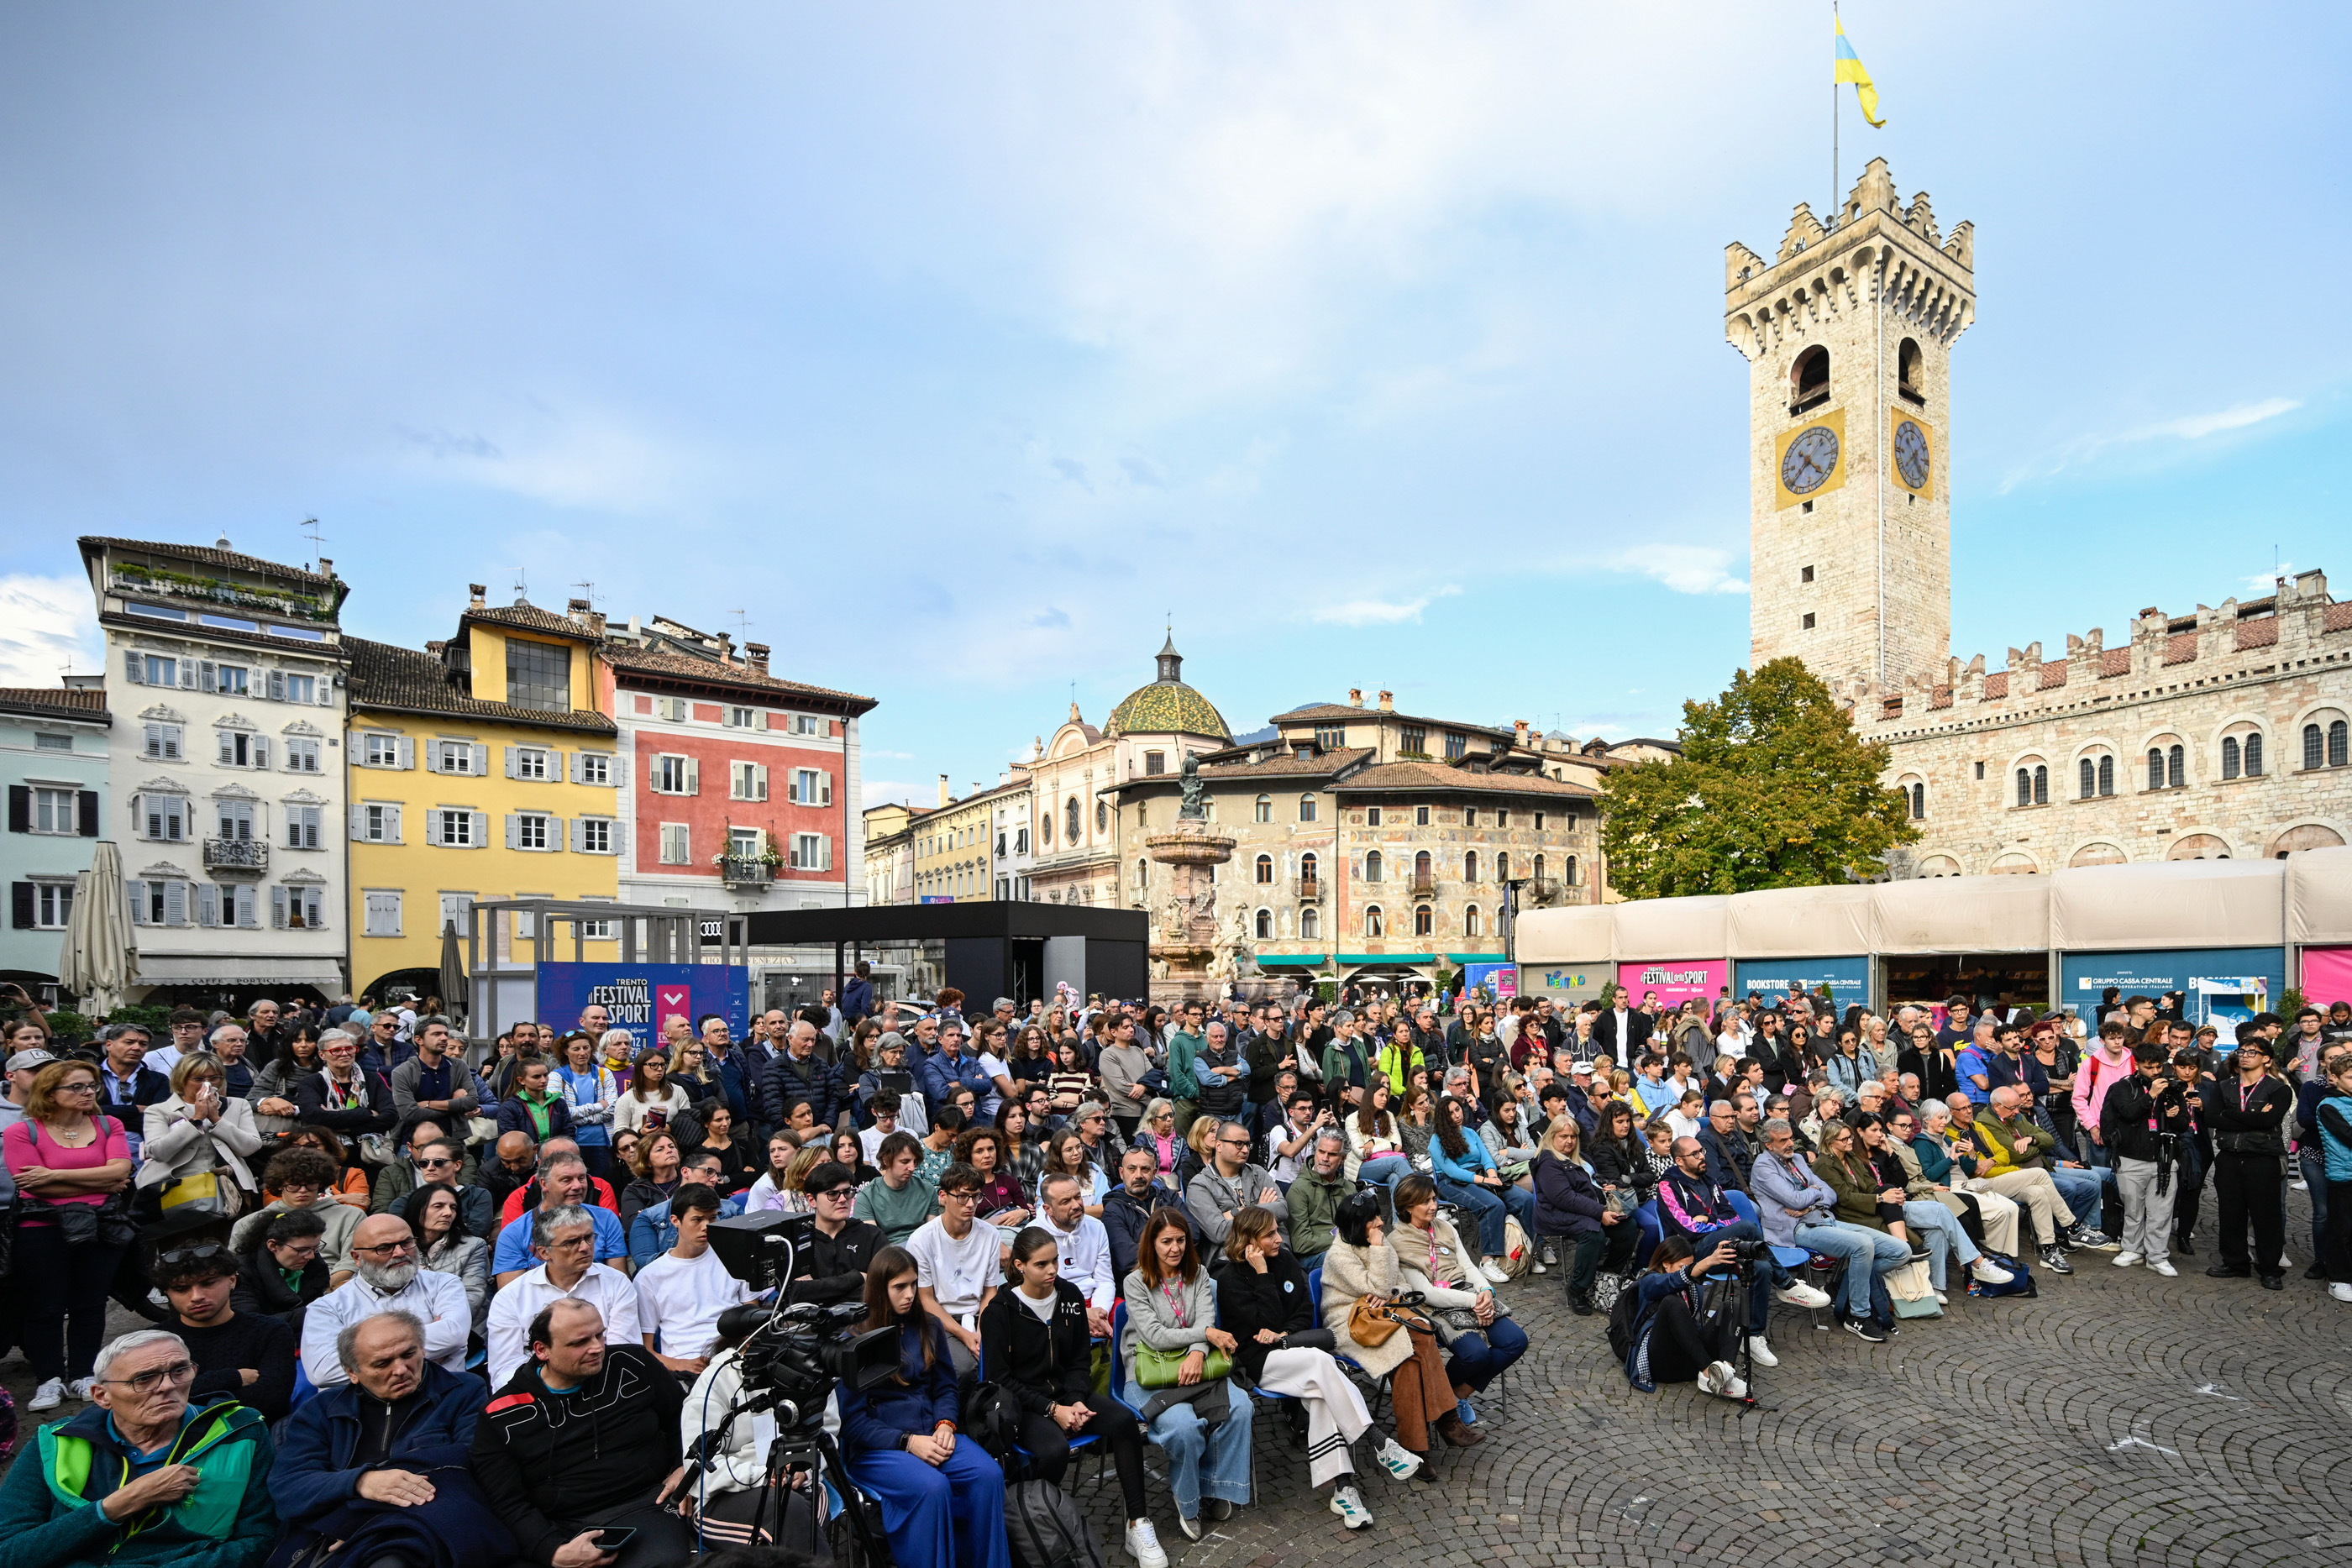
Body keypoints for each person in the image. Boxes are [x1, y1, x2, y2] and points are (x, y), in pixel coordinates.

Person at [0, 1327, 276, 1568]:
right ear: (102, 1396)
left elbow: (257, 1542)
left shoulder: (241, 1431)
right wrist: (119, 1504)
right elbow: (8, 1553)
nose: (167, 1386)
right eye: (144, 1379)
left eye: (179, 1370)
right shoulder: (57, 1439)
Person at [1212, 1204, 1417, 1529]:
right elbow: (1262, 1328)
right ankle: (1378, 1440)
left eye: (1277, 1231)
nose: (1279, 1239)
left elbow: (1304, 1311)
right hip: (1258, 1362)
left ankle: (1344, 1491)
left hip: (1296, 1350)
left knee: (1321, 1393)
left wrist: (1286, 1334)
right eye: (1269, 1235)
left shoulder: (1286, 1261)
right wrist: (1263, 1275)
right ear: (1249, 1241)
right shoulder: (1229, 1279)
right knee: (1323, 1362)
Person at [980, 1228, 1165, 1567]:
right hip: (1026, 1405)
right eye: (1041, 1264)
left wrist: (1077, 1400)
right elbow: (999, 1379)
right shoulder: (999, 1311)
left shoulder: (1070, 1295)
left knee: (1124, 1422)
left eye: (1054, 1261)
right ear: (1020, 1265)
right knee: (1053, 1451)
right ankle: (1033, 1524)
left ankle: (1137, 1523)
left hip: (1069, 1394)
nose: (1052, 1270)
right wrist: (1052, 1410)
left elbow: (1080, 1359)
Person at [270, 1310, 514, 1568]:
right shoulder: (320, 1410)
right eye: (382, 1364)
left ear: (423, 1349)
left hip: (426, 1526)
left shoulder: (463, 1390)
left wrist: (367, 1520)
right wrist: (362, 1481)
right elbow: (288, 1487)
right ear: (352, 1372)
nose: (400, 1370)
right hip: (328, 1536)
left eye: (408, 1354)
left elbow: (468, 1465)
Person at [472, 1297, 693, 1568]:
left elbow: (685, 1417)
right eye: (580, 1342)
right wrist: (552, 1551)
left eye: (599, 1335)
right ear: (542, 1350)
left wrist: (685, 1466)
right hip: (557, 1524)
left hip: (645, 1502)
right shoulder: (501, 1412)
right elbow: (505, 1500)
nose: (597, 1348)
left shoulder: (633, 1362)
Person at [6, 1057, 137, 1411]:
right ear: (50, 1092)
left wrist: (53, 1175)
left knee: (90, 1303)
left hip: (100, 1225)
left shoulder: (108, 1124)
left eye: (91, 1086)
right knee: (44, 1306)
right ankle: (48, 1379)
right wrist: (99, 1181)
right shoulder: (23, 1131)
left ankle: (83, 1373)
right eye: (76, 1086)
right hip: (42, 1228)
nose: (87, 1092)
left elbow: (121, 1171)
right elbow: (31, 1186)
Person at [1118, 1209, 1252, 1541]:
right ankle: (1188, 1499)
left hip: (1198, 1365)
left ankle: (1213, 1486)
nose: (1175, 1248)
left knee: (1240, 1407)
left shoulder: (1199, 1274)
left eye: (1180, 1240)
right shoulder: (1135, 1282)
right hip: (1151, 1371)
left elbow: (1206, 1316)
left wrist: (1197, 1352)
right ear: (1151, 1243)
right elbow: (1154, 1335)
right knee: (1183, 1428)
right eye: (1166, 1241)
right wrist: (1204, 1336)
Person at [1316, 1190, 1468, 1455]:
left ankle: (1417, 1448)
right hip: (1350, 1323)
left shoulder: (1378, 1239)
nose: (1380, 1222)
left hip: (1384, 1313)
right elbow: (1379, 1286)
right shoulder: (1340, 1254)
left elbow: (1399, 1285)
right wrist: (1379, 1254)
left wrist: (1391, 1293)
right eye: (1373, 1219)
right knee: (1420, 1334)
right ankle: (1447, 1421)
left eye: (1378, 1215)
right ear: (1357, 1225)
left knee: (1410, 1356)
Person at [1749, 1117, 1908, 1341]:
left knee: (1901, 1251)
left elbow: (1831, 1194)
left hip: (1822, 1217)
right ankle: (1858, 1316)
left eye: (1791, 1138)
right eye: (1783, 1140)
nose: (1790, 1144)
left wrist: (1810, 1204)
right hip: (1795, 1228)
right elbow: (1794, 1200)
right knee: (1863, 1245)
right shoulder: (1763, 1166)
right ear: (1769, 1144)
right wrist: (1814, 1193)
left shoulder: (1797, 1159)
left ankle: (1841, 1285)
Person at [1388, 1173, 1527, 1421]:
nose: (1433, 1206)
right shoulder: (1397, 1243)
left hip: (1469, 1294)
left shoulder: (1445, 1228)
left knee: (1516, 1341)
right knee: (1476, 1355)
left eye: (1434, 1199)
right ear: (1407, 1206)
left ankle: (1456, 1394)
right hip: (1436, 1307)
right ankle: (1439, 1394)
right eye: (1425, 1202)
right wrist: (1475, 1303)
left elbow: (1468, 1266)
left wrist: (1486, 1291)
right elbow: (1427, 1293)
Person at [302, 1214, 472, 1387]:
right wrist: (422, 1351)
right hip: (363, 1403)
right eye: (384, 1248)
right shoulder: (327, 1308)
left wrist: (365, 1360)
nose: (400, 1253)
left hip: (443, 1394)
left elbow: (454, 1335)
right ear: (356, 1258)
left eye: (406, 1243)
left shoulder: (443, 1284)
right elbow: (323, 1372)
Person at [486, 1204, 643, 1387]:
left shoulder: (616, 1282)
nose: (585, 1247)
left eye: (589, 1237)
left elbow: (623, 1353)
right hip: (538, 1393)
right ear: (544, 1252)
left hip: (606, 1387)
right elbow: (505, 1370)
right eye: (571, 1242)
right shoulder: (511, 1297)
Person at [154, 1240, 297, 1424]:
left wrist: (184, 1391)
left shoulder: (271, 1331)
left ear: (232, 1280)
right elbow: (147, 1400)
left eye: (208, 1283)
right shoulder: (152, 1342)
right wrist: (230, 1377)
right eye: (181, 1289)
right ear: (167, 1293)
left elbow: (271, 1400)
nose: (196, 1296)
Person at [633, 1183, 756, 1376]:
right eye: (697, 1219)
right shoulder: (649, 1277)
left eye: (712, 1218)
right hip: (686, 1366)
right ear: (675, 1221)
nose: (706, 1227)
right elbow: (645, 1350)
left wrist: (746, 1346)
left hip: (734, 1356)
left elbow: (752, 1316)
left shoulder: (734, 1258)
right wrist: (679, 1364)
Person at [2203, 1031, 2294, 1289]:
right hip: (2229, 1157)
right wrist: (2252, 1117)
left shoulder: (2278, 1089)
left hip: (2262, 1158)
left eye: (2252, 1052)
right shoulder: (2225, 1086)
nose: (2245, 1056)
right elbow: (2211, 1118)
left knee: (2266, 1216)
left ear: (2266, 1059)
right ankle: (2235, 1262)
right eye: (2241, 1052)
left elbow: (2268, 1121)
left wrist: (2230, 1115)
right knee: (2230, 1213)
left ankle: (2270, 1268)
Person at [1617, 1232, 1748, 1398]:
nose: (1688, 1272)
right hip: (1661, 1363)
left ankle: (1725, 1375)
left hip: (1690, 1358)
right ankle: (1708, 1373)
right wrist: (1706, 1262)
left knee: (1733, 1307)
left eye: (1690, 1266)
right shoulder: (1649, 1282)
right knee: (1672, 1302)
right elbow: (1670, 1282)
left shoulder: (1693, 1286)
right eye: (1682, 1267)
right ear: (1666, 1264)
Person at [1532, 1117, 1637, 1316]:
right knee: (1593, 1233)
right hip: (1556, 1214)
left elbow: (1589, 1183)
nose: (1569, 1141)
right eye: (1563, 1136)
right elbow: (1564, 1198)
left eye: (1573, 1136)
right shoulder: (1548, 1163)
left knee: (1628, 1227)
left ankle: (1606, 1274)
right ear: (1552, 1137)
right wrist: (1600, 1213)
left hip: (1584, 1209)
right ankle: (1576, 1288)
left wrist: (1605, 1188)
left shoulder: (1578, 1157)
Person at [138, 1054, 264, 1219]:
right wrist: (196, 1120)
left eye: (214, 1078)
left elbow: (250, 1147)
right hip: (178, 1190)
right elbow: (158, 1152)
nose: (207, 1084)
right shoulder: (159, 1110)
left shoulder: (238, 1105)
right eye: (198, 1079)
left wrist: (217, 1120)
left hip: (228, 1189)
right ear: (182, 1079)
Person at [905, 1162, 998, 1376]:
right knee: (965, 1367)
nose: (970, 1204)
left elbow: (990, 1291)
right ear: (943, 1196)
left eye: (976, 1196)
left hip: (979, 1314)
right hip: (939, 1318)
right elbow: (926, 1299)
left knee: (1004, 1355)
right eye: (962, 1196)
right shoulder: (922, 1239)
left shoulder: (990, 1234)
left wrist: (981, 1331)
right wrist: (965, 1335)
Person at [1427, 1094, 1532, 1280]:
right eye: (1450, 1113)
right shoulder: (1436, 1141)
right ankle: (1488, 1261)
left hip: (1482, 1175)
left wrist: (1492, 1175)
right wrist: (1484, 1180)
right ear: (1443, 1117)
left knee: (1524, 1199)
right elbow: (1452, 1171)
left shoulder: (1470, 1132)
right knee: (1493, 1205)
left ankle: (1533, 1251)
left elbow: (1486, 1158)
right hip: (1452, 1182)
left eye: (1458, 1109)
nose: (1457, 1115)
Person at [492, 1149, 631, 1285]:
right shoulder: (514, 1234)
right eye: (566, 1180)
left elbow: (619, 1281)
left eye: (581, 1178)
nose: (577, 1186)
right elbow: (512, 1294)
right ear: (544, 1184)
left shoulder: (605, 1219)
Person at [1185, 1117, 1289, 1247]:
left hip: (1274, 1248)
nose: (1245, 1150)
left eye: (1247, 1144)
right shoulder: (1200, 1185)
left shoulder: (1258, 1173)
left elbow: (1282, 1209)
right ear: (1219, 1146)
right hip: (1231, 1255)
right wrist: (1263, 1210)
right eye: (1239, 1144)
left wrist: (1237, 1212)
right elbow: (1219, 1232)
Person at [1103, 1142, 1194, 1280]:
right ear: (1121, 1173)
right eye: (1132, 1169)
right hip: (1142, 1280)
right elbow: (1126, 1257)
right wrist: (1170, 1251)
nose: (1138, 1175)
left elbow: (1193, 1232)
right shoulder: (1113, 1209)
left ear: (1154, 1173)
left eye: (1145, 1169)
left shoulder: (1168, 1197)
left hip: (1181, 1273)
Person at [296, 1029, 397, 1146]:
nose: (344, 1054)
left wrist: (348, 1129)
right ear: (322, 1055)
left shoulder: (373, 1079)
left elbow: (390, 1116)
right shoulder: (310, 1083)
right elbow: (315, 1118)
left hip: (369, 1151)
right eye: (336, 1050)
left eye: (349, 1049)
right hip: (327, 1149)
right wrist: (366, 1113)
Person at [852, 1130, 937, 1245]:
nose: (912, 1168)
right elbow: (873, 1241)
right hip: (889, 1251)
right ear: (886, 1160)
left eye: (915, 1162)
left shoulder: (927, 1190)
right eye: (905, 1162)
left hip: (922, 1247)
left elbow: (932, 1234)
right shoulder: (867, 1197)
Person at [1284, 1128, 1354, 1266]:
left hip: (1347, 1249)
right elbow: (1300, 1243)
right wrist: (1345, 1240)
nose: (1324, 1158)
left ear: (1343, 1158)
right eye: (1321, 1151)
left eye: (1332, 1154)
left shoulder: (1349, 1188)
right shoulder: (1299, 1189)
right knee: (1343, 1258)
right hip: (1312, 1257)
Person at [496, 1057, 576, 1146]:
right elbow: (510, 1139)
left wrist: (556, 1149)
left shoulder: (558, 1102)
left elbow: (568, 1132)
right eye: (536, 1077)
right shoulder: (509, 1107)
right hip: (525, 1153)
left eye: (545, 1075)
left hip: (557, 1152)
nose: (543, 1080)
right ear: (521, 1080)